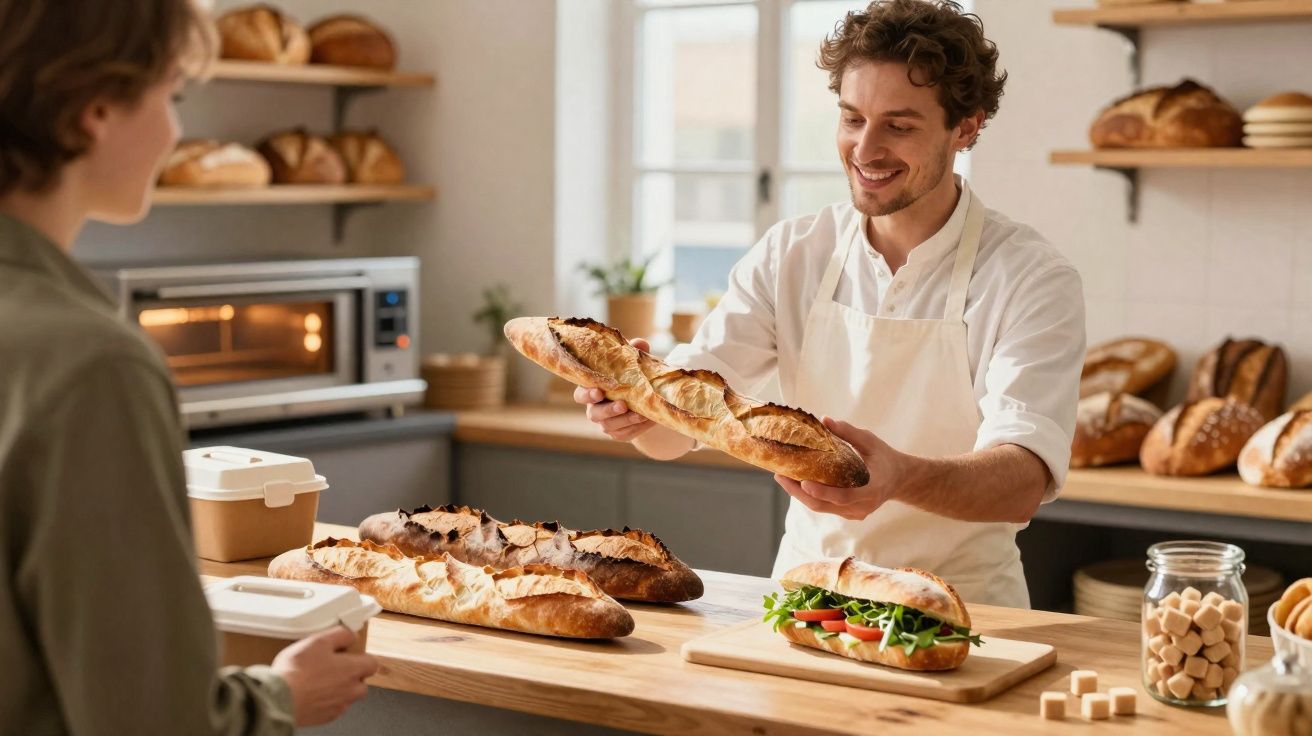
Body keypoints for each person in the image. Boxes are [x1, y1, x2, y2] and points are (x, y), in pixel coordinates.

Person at [578, 0, 1085, 608]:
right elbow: (680, 430)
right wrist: (637, 413)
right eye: (852, 118)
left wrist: (900, 477)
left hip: (969, 612)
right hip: (810, 598)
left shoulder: (1029, 276)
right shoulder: (793, 253)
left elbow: (1021, 481)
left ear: (966, 127)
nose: (865, 149)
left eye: (899, 126)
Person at [0, 1, 377, 733]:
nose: (177, 131)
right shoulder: (92, 365)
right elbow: (153, 718)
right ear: (95, 108)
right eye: (172, 95)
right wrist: (278, 696)